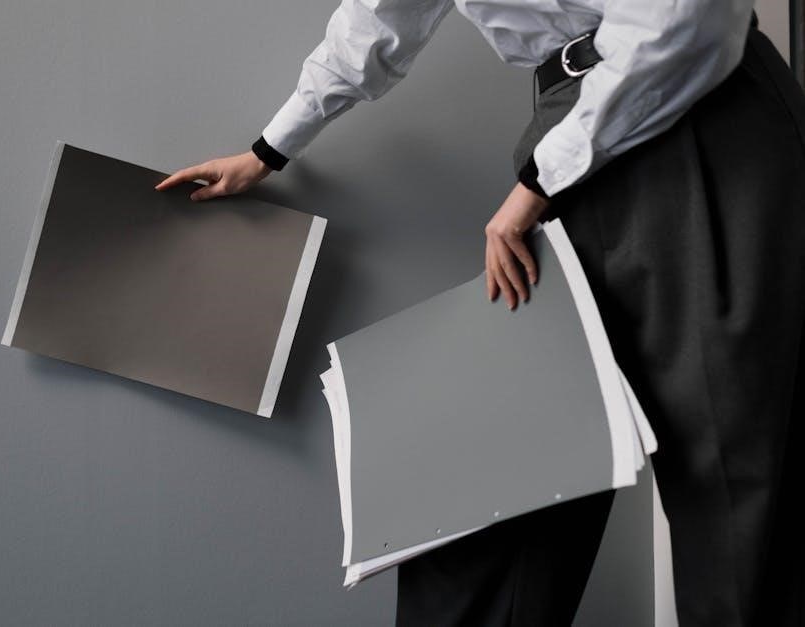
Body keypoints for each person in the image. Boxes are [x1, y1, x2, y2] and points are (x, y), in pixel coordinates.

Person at [156, 1, 805, 625]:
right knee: (499, 484)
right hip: (571, 128)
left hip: (690, 108)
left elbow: (687, 17)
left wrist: (539, 184)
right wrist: (268, 149)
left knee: (731, 486)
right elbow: (378, 18)